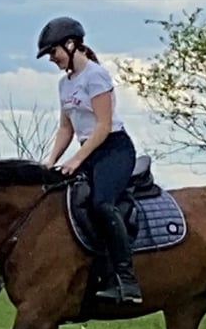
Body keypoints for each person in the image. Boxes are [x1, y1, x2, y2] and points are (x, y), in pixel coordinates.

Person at [37, 16, 142, 304]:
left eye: (53, 52)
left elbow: (103, 125)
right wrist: (50, 162)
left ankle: (126, 279)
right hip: (88, 150)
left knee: (102, 204)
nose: (52, 59)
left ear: (71, 45)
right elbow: (66, 128)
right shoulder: (64, 85)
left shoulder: (96, 76)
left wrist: (76, 160)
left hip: (113, 150)